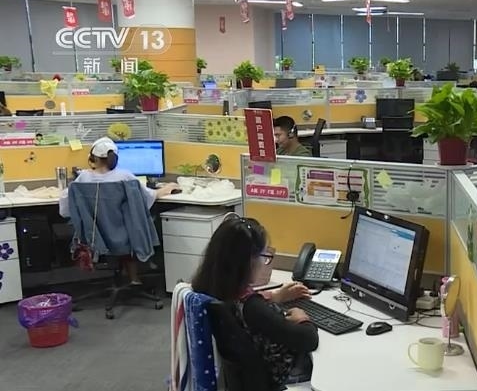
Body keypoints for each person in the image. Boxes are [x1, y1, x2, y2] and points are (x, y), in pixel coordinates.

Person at [191, 215, 319, 389]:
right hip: (274, 379)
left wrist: (274, 296)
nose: (264, 262)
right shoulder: (253, 308)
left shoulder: (210, 287)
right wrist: (301, 318)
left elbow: (246, 305)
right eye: (264, 256)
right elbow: (308, 340)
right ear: (249, 261)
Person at [59, 137, 178, 285]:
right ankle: (134, 279)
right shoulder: (125, 177)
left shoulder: (82, 178)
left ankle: (123, 276)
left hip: (95, 237)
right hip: (125, 237)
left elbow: (65, 208)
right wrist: (167, 188)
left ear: (92, 158)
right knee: (147, 220)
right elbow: (148, 198)